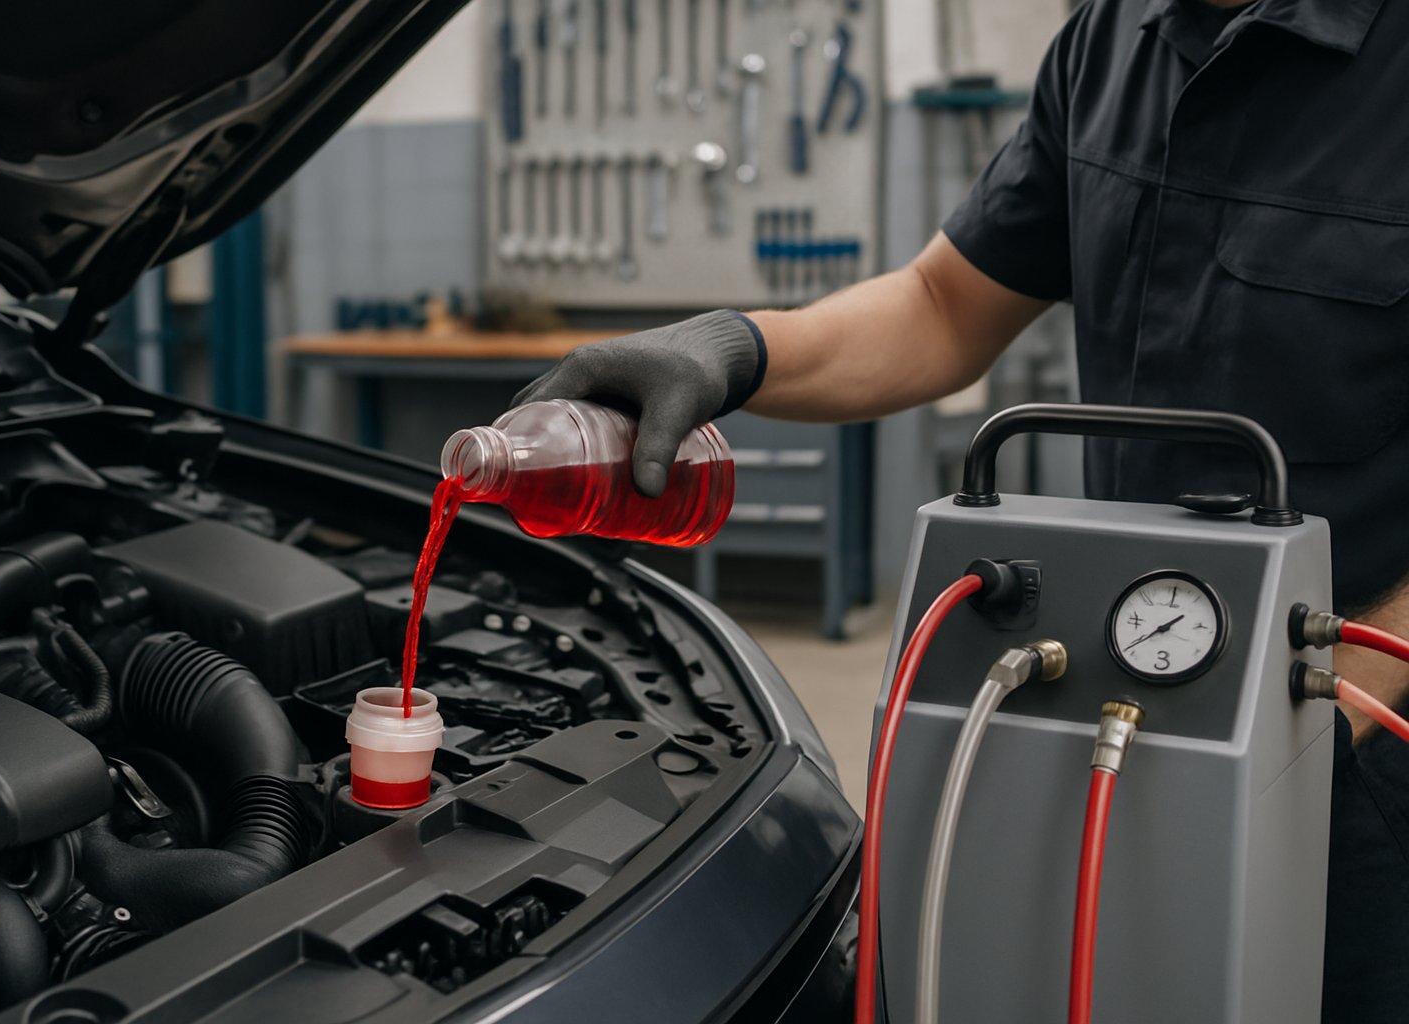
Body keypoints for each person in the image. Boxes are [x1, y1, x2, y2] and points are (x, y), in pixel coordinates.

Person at [514, 0, 1409, 1017]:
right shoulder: (1108, 45)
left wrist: (1326, 698)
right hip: (1140, 704)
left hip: (1367, 769)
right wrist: (732, 351)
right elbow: (944, 307)